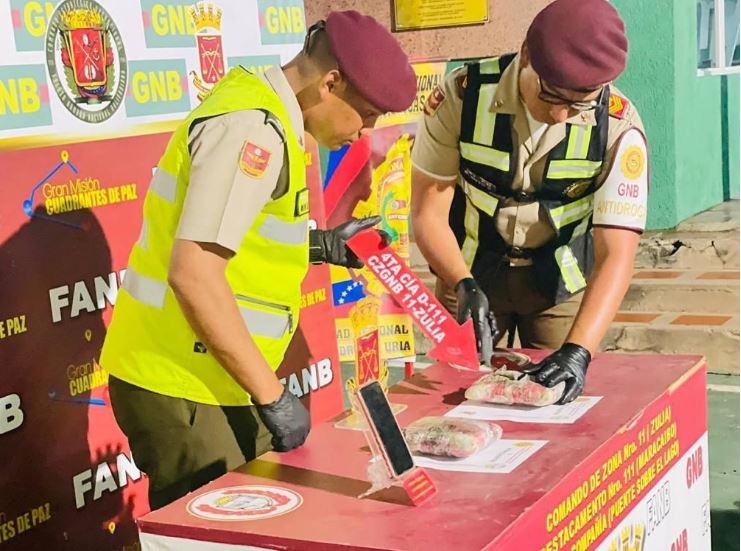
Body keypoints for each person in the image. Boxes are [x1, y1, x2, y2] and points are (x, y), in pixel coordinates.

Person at [100, 10, 416, 509]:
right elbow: (194, 272)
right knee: (213, 539)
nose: (363, 134)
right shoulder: (253, 129)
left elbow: (228, 233)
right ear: (330, 83)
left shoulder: (269, 113)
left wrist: (321, 245)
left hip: (212, 378)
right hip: (183, 383)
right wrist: (273, 396)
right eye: (368, 117)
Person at [411, 0, 648, 403]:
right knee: (453, 401)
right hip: (469, 275)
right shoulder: (462, 96)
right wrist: (461, 283)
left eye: (578, 105)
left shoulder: (619, 125)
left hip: (559, 287)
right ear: (525, 55)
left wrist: (577, 352)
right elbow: (427, 211)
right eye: (551, 95)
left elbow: (617, 253)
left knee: (562, 403)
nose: (559, 115)